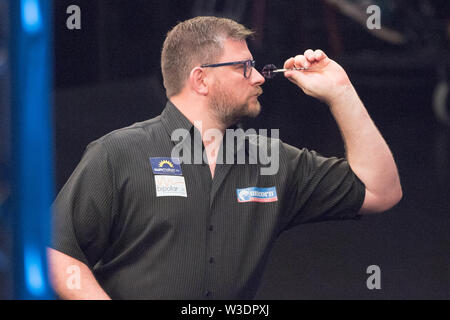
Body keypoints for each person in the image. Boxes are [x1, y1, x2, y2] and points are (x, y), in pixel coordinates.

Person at [48, 16, 402, 300]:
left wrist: (341, 92)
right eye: (243, 68)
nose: (259, 79)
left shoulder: (269, 159)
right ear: (201, 79)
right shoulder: (119, 153)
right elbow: (57, 251)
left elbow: (380, 192)